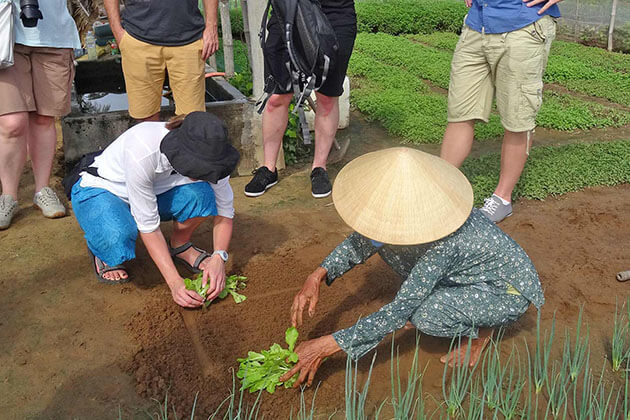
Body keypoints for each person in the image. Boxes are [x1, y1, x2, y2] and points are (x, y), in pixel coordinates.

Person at [281, 148, 544, 387]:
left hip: (504, 291)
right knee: (405, 270)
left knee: (424, 315)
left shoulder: (443, 245)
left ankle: (480, 334)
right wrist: (317, 275)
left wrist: (326, 345)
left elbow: (397, 313)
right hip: (471, 274)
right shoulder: (404, 214)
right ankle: (456, 301)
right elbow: (361, 242)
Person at [69, 112, 239, 308]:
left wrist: (219, 257)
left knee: (202, 196)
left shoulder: (214, 154)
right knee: (117, 235)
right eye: (197, 168)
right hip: (106, 189)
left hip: (155, 191)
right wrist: (175, 283)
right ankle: (103, 251)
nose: (202, 173)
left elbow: (225, 211)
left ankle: (180, 245)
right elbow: (149, 227)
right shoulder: (142, 150)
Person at [440, 0, 562, 223]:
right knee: (461, 112)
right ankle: (440, 186)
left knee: (517, 117)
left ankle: (502, 198)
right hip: (477, 25)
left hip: (523, 27)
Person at [244, 0, 357, 199]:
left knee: (328, 96)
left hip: (335, 12)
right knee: (277, 96)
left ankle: (319, 168)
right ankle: (268, 168)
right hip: (287, 10)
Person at [0, 0, 81, 230]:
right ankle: (8, 196)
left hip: (54, 35)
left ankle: (42, 189)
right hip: (6, 32)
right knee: (11, 123)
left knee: (45, 119)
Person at [103, 0, 219, 121]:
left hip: (188, 40)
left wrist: (212, 27)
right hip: (138, 40)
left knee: (191, 120)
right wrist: (116, 30)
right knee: (145, 118)